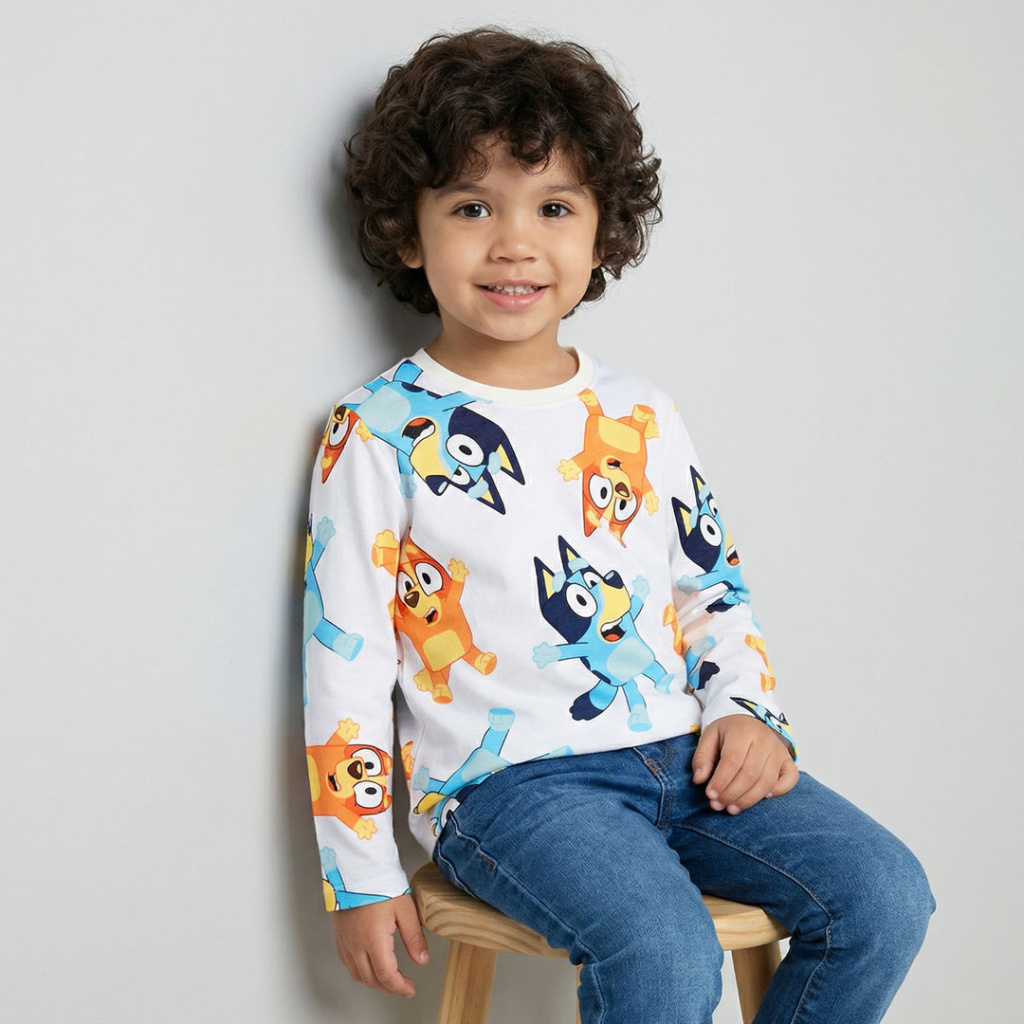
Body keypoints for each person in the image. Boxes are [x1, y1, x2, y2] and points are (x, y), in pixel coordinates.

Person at [303, 28, 934, 1022]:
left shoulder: (641, 413)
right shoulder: (377, 429)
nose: (515, 243)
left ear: (602, 232)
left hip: (684, 756)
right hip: (511, 787)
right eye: (472, 207)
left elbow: (709, 585)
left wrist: (746, 710)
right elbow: (344, 664)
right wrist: (359, 873)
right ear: (406, 232)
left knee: (884, 894)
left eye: (553, 207)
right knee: (665, 949)